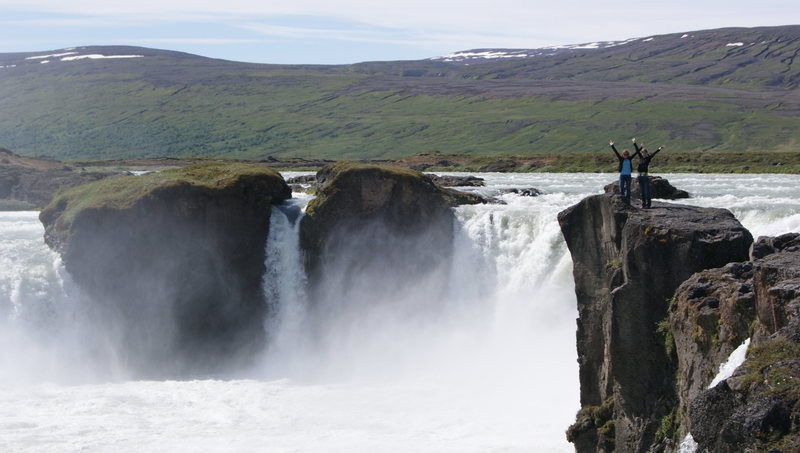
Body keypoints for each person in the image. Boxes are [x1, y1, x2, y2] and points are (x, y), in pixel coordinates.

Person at [632, 138, 664, 208]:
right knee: (642, 191)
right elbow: (637, 151)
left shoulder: (648, 158)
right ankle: (643, 204)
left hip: (645, 176)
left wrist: (659, 149)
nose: (643, 154)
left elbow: (654, 154)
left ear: (646, 153)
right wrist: (634, 143)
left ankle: (648, 205)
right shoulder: (641, 158)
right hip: (639, 176)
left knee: (647, 191)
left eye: (644, 153)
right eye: (642, 153)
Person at [609, 139, 639, 204]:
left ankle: (628, 201)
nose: (626, 155)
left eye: (627, 154)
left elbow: (637, 152)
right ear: (622, 154)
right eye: (624, 154)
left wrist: (634, 143)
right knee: (621, 188)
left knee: (628, 188)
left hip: (628, 175)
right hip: (622, 175)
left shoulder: (629, 158)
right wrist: (612, 145)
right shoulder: (621, 159)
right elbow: (616, 152)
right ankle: (622, 200)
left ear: (628, 155)